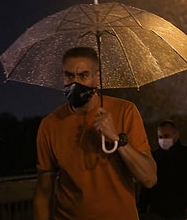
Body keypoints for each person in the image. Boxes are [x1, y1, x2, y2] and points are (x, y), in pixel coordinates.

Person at [32, 47, 157, 220]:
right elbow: (44, 190)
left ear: (97, 78)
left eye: (83, 75)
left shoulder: (125, 111)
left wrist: (116, 138)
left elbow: (149, 178)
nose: (75, 83)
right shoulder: (50, 125)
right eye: (69, 76)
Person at [138, 120, 187, 220]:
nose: (163, 140)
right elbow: (147, 185)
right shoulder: (154, 157)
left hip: (181, 210)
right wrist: (142, 208)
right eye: (160, 137)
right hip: (158, 210)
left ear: (176, 134)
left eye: (166, 136)